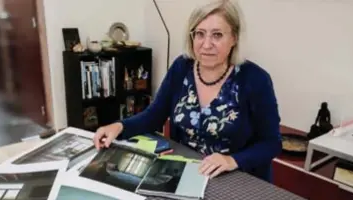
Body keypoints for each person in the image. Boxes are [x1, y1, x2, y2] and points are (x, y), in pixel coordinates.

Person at [93, 0, 282, 182]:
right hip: (186, 172)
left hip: (236, 177)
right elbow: (154, 116)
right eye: (200, 34)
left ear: (234, 38)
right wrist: (119, 127)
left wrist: (232, 160)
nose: (206, 44)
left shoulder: (256, 80)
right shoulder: (181, 67)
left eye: (217, 35)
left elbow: (271, 143)